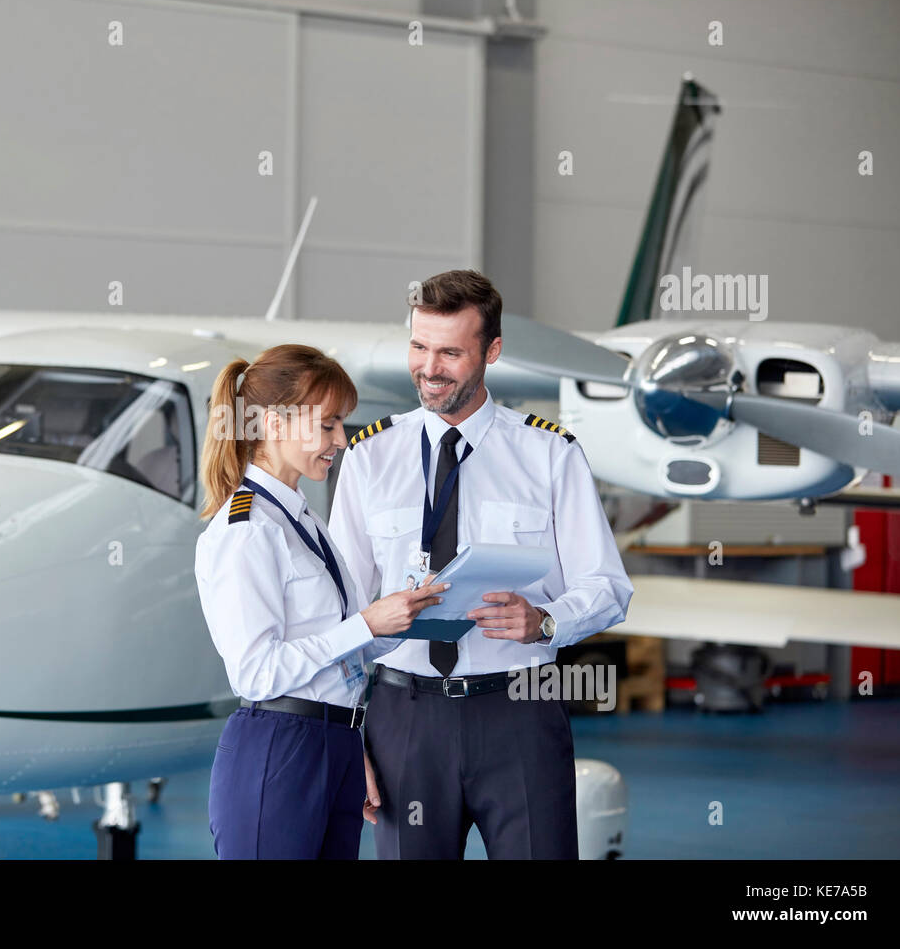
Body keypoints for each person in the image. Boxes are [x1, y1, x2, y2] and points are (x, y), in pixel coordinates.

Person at [328, 270, 634, 859]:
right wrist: (349, 736)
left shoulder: (550, 453)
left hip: (521, 711)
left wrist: (545, 621)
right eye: (419, 346)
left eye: (450, 352)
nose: (429, 367)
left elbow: (607, 588)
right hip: (403, 717)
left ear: (492, 352)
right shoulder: (369, 456)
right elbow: (342, 613)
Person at [194, 343, 446, 859]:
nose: (341, 441)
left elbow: (340, 648)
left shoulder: (305, 523)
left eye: (342, 425)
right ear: (274, 424)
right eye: (328, 425)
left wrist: (406, 619)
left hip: (338, 742)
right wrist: (367, 625)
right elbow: (255, 674)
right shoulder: (247, 531)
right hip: (281, 746)